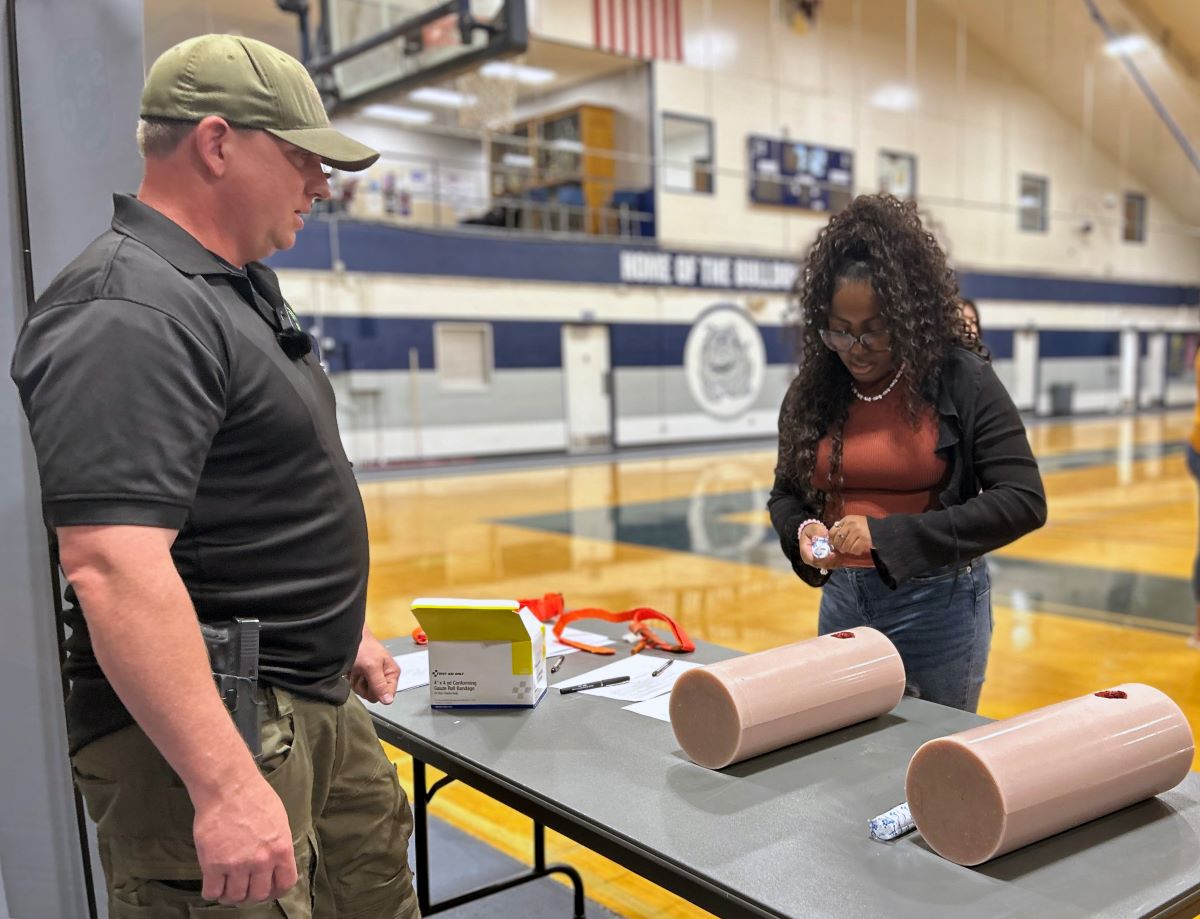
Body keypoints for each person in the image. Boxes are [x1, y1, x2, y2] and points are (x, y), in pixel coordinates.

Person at [11, 35, 419, 918]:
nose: (321, 184)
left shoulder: (231, 289)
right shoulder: (127, 306)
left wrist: (331, 629)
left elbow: (246, 496)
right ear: (218, 143)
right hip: (225, 731)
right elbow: (113, 564)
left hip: (303, 694)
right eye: (304, 158)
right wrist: (226, 784)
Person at [768, 194, 1047, 712]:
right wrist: (801, 529)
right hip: (843, 601)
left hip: (937, 607)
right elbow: (785, 495)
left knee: (934, 752)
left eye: (874, 330)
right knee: (844, 749)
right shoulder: (813, 391)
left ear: (908, 314)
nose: (856, 349)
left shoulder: (961, 379)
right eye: (840, 332)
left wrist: (888, 536)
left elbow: (1023, 500)